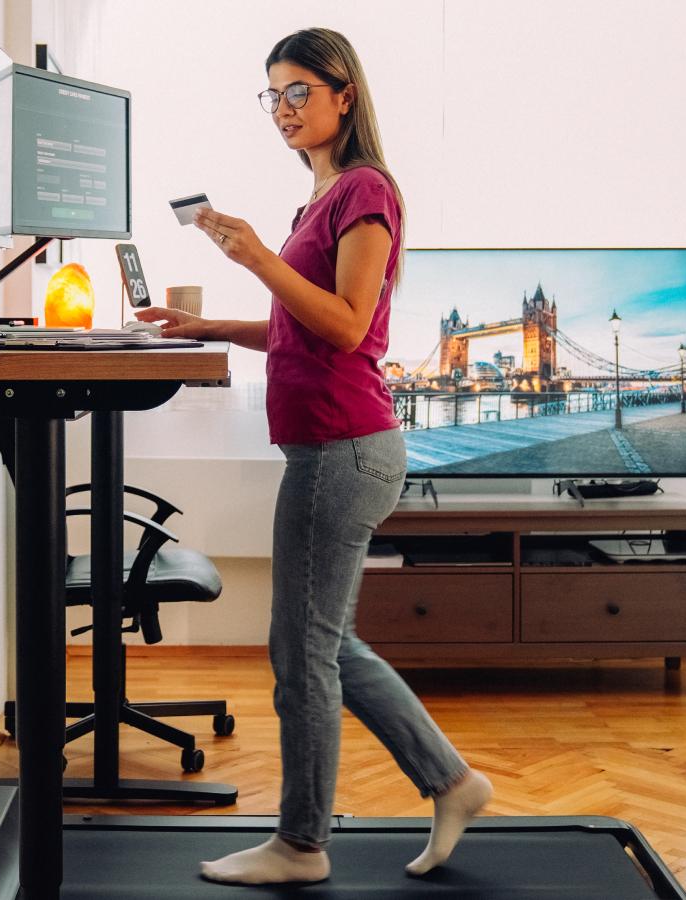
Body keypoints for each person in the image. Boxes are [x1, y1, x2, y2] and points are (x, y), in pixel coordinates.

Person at [134, 26, 493, 886]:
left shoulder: (365, 191)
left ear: (344, 95)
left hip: (345, 447)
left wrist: (256, 254)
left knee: (301, 655)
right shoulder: (323, 198)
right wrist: (207, 325)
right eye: (273, 95)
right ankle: (453, 781)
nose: (284, 110)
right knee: (325, 645)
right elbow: (299, 323)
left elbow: (345, 325)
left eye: (300, 91)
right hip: (328, 445)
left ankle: (301, 843)